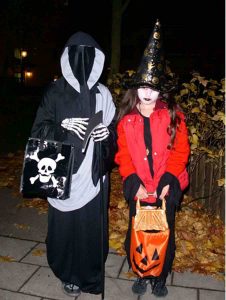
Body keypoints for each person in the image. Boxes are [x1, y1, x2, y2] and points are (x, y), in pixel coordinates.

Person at [30, 32, 117, 296]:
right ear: (67, 59)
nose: (82, 63)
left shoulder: (103, 93)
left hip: (93, 177)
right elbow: (39, 130)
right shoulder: (55, 93)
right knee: (66, 227)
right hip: (62, 174)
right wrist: (61, 126)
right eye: (76, 56)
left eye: (88, 57)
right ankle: (67, 272)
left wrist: (107, 134)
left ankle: (89, 273)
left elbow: (114, 128)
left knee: (90, 227)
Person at [115, 20, 190, 297]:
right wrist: (133, 183)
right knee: (138, 232)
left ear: (161, 90)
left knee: (163, 234)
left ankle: (160, 276)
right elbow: (123, 154)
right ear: (136, 89)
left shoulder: (173, 116)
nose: (147, 92)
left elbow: (181, 151)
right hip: (140, 189)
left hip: (164, 188)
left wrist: (169, 181)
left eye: (153, 87)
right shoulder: (127, 120)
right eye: (143, 86)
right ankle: (141, 271)